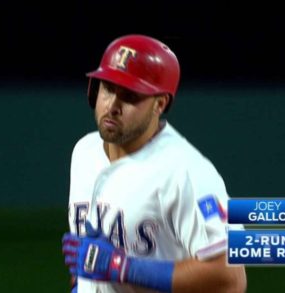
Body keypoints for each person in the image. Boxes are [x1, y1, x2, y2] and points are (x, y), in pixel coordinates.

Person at [61, 34, 247, 293]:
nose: (112, 105)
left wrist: (121, 267)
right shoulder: (84, 152)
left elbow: (230, 279)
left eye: (129, 96)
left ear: (159, 104)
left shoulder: (186, 171)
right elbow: (88, 262)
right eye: (108, 89)